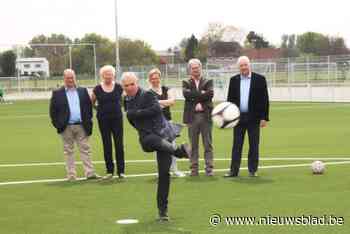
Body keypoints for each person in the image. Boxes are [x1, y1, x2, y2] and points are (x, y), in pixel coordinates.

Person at [121, 72, 190, 222]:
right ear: (123, 87)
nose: (130, 87)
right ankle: (178, 151)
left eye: (132, 84)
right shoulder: (126, 99)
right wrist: (136, 115)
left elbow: (156, 109)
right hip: (147, 139)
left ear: (137, 83)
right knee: (150, 139)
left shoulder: (147, 95)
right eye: (126, 85)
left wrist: (137, 113)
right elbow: (130, 118)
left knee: (164, 175)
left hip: (163, 136)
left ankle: (162, 212)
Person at [49, 69, 100, 181]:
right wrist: (58, 125)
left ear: (75, 78)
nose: (70, 80)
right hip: (66, 127)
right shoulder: (57, 93)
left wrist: (88, 121)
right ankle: (71, 175)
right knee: (68, 151)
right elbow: (53, 112)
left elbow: (88, 107)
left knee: (85, 149)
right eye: (68, 78)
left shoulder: (82, 91)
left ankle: (90, 173)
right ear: (64, 79)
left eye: (72, 77)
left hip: (81, 126)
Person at [224, 56, 270, 178]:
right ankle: (233, 171)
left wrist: (264, 117)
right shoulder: (233, 80)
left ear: (250, 65)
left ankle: (253, 170)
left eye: (245, 65)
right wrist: (230, 117)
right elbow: (230, 100)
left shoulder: (260, 79)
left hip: (254, 118)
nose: (243, 67)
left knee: (254, 145)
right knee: (237, 145)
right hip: (238, 118)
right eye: (241, 65)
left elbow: (265, 99)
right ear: (238, 67)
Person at [148, 68, 186, 178]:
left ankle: (175, 170)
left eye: (157, 77)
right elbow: (152, 105)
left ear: (160, 78)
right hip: (155, 124)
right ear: (150, 80)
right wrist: (164, 103)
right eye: (153, 78)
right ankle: (161, 172)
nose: (155, 80)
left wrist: (157, 102)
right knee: (159, 148)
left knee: (172, 147)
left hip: (168, 123)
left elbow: (172, 101)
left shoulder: (167, 89)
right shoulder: (148, 93)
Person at [91, 65, 125, 180]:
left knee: (119, 144)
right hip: (103, 119)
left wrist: (118, 108)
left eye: (110, 74)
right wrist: (99, 110)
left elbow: (122, 101)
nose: (108, 76)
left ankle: (121, 171)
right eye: (106, 74)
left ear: (113, 75)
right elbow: (92, 102)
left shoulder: (119, 87)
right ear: (102, 76)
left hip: (117, 119)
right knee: (107, 145)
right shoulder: (97, 89)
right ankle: (109, 171)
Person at [182, 58, 214, 176]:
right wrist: (202, 95)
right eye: (193, 68)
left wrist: (194, 96)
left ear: (201, 68)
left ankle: (209, 169)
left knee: (208, 144)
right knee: (193, 145)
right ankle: (194, 169)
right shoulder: (186, 82)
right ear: (190, 70)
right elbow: (186, 94)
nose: (195, 70)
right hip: (191, 117)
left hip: (206, 116)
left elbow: (210, 94)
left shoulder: (208, 81)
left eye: (197, 67)